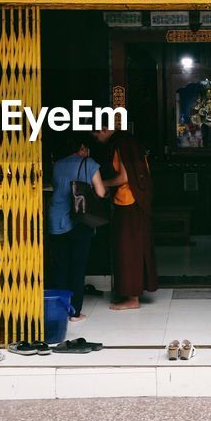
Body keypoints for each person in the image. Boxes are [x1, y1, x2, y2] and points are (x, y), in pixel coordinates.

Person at [93, 126, 158, 310]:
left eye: (96, 134)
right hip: (136, 201)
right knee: (135, 248)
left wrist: (100, 183)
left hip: (128, 202)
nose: (96, 139)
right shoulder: (130, 141)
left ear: (104, 129)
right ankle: (134, 294)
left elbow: (123, 177)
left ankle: (132, 298)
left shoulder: (121, 144)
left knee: (128, 249)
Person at [47, 133, 107, 322]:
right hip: (79, 220)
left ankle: (59, 311)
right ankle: (75, 312)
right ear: (82, 148)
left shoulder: (57, 165)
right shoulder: (90, 164)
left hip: (56, 219)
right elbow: (101, 191)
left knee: (59, 266)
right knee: (77, 266)